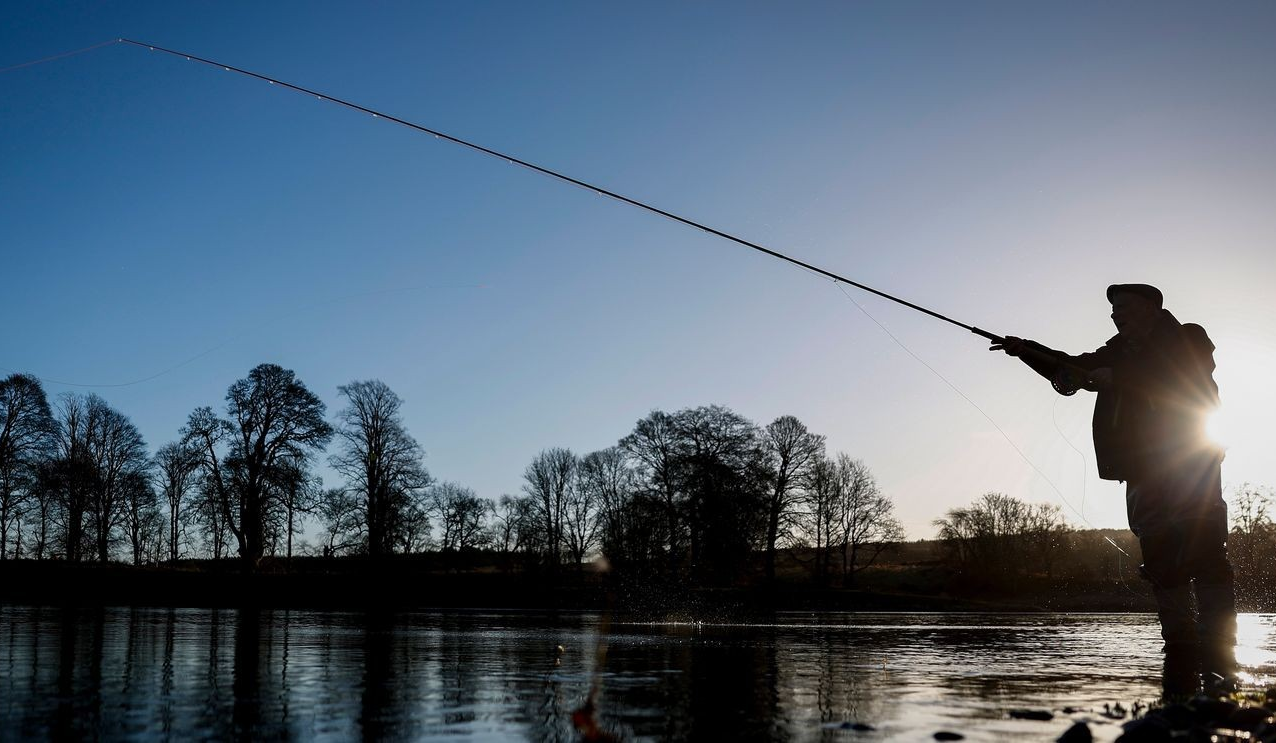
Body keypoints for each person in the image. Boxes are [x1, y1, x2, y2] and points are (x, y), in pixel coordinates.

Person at [991, 283, 1235, 695]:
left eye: (1123, 306)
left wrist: (1118, 377)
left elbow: (1181, 375)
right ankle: (1179, 645)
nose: (1115, 314)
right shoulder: (1113, 352)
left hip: (1192, 458)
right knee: (1159, 552)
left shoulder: (1189, 337)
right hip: (1141, 469)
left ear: (1153, 308)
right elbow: (1068, 367)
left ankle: (1220, 645)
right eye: (1112, 309)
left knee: (1204, 547)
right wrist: (1025, 349)